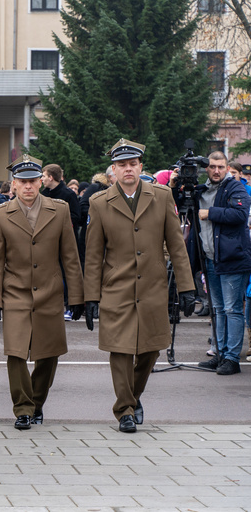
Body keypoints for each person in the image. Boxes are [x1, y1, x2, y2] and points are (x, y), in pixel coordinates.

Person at [85, 139, 195, 433]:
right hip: (116, 287)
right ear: (114, 171)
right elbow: (94, 254)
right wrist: (90, 296)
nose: (128, 169)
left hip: (153, 288)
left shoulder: (161, 196)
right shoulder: (99, 202)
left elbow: (176, 244)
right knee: (120, 350)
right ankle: (124, 411)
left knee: (150, 350)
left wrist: (186, 287)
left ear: (140, 167)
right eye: (122, 165)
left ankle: (132, 397)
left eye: (133, 164)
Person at [0, 155, 84, 429]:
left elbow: (70, 257)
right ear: (13, 184)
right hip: (15, 292)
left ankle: (37, 401)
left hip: (50, 292)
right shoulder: (0, 214)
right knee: (16, 353)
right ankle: (23, 409)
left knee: (48, 354)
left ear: (41, 181)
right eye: (22, 182)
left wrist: (77, 296)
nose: (28, 187)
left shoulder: (59, 210)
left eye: (32, 181)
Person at [188, 152, 251, 375]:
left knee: (232, 309)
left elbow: (241, 214)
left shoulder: (234, 187)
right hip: (211, 260)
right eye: (212, 166)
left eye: (221, 167)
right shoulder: (202, 190)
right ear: (207, 168)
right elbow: (181, 204)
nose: (216, 170)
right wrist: (177, 184)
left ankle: (232, 359)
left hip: (233, 260)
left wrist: (210, 213)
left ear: (226, 168)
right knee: (217, 309)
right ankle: (220, 354)